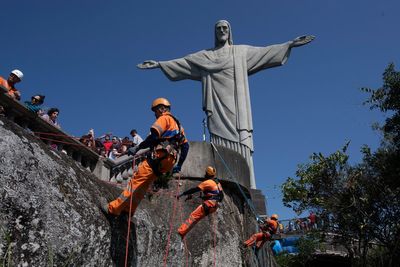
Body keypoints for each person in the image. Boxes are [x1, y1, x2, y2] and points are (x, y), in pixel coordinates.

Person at [138, 20, 314, 188]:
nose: (222, 31)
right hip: (217, 105)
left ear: (229, 32)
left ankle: (250, 184)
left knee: (242, 137)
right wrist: (160, 64)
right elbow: (184, 62)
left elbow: (265, 52)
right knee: (219, 137)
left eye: (225, 28)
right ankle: (220, 174)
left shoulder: (240, 52)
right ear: (215, 33)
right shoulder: (206, 56)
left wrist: (289, 44)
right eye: (218, 29)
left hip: (238, 105)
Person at [101, 97, 189, 216]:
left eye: (155, 111)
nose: (155, 115)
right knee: (144, 185)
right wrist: (179, 165)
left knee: (136, 181)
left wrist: (138, 148)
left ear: (162, 109)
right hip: (169, 161)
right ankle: (129, 211)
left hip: (159, 156)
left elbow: (153, 137)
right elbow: (185, 146)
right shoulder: (179, 126)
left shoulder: (164, 119)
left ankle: (113, 209)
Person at [176, 166, 224, 239]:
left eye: (206, 173)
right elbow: (221, 196)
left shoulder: (207, 182)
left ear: (208, 174)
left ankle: (181, 232)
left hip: (209, 204)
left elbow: (195, 189)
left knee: (193, 216)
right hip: (214, 206)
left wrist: (183, 194)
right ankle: (183, 233)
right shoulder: (217, 183)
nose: (204, 174)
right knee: (196, 218)